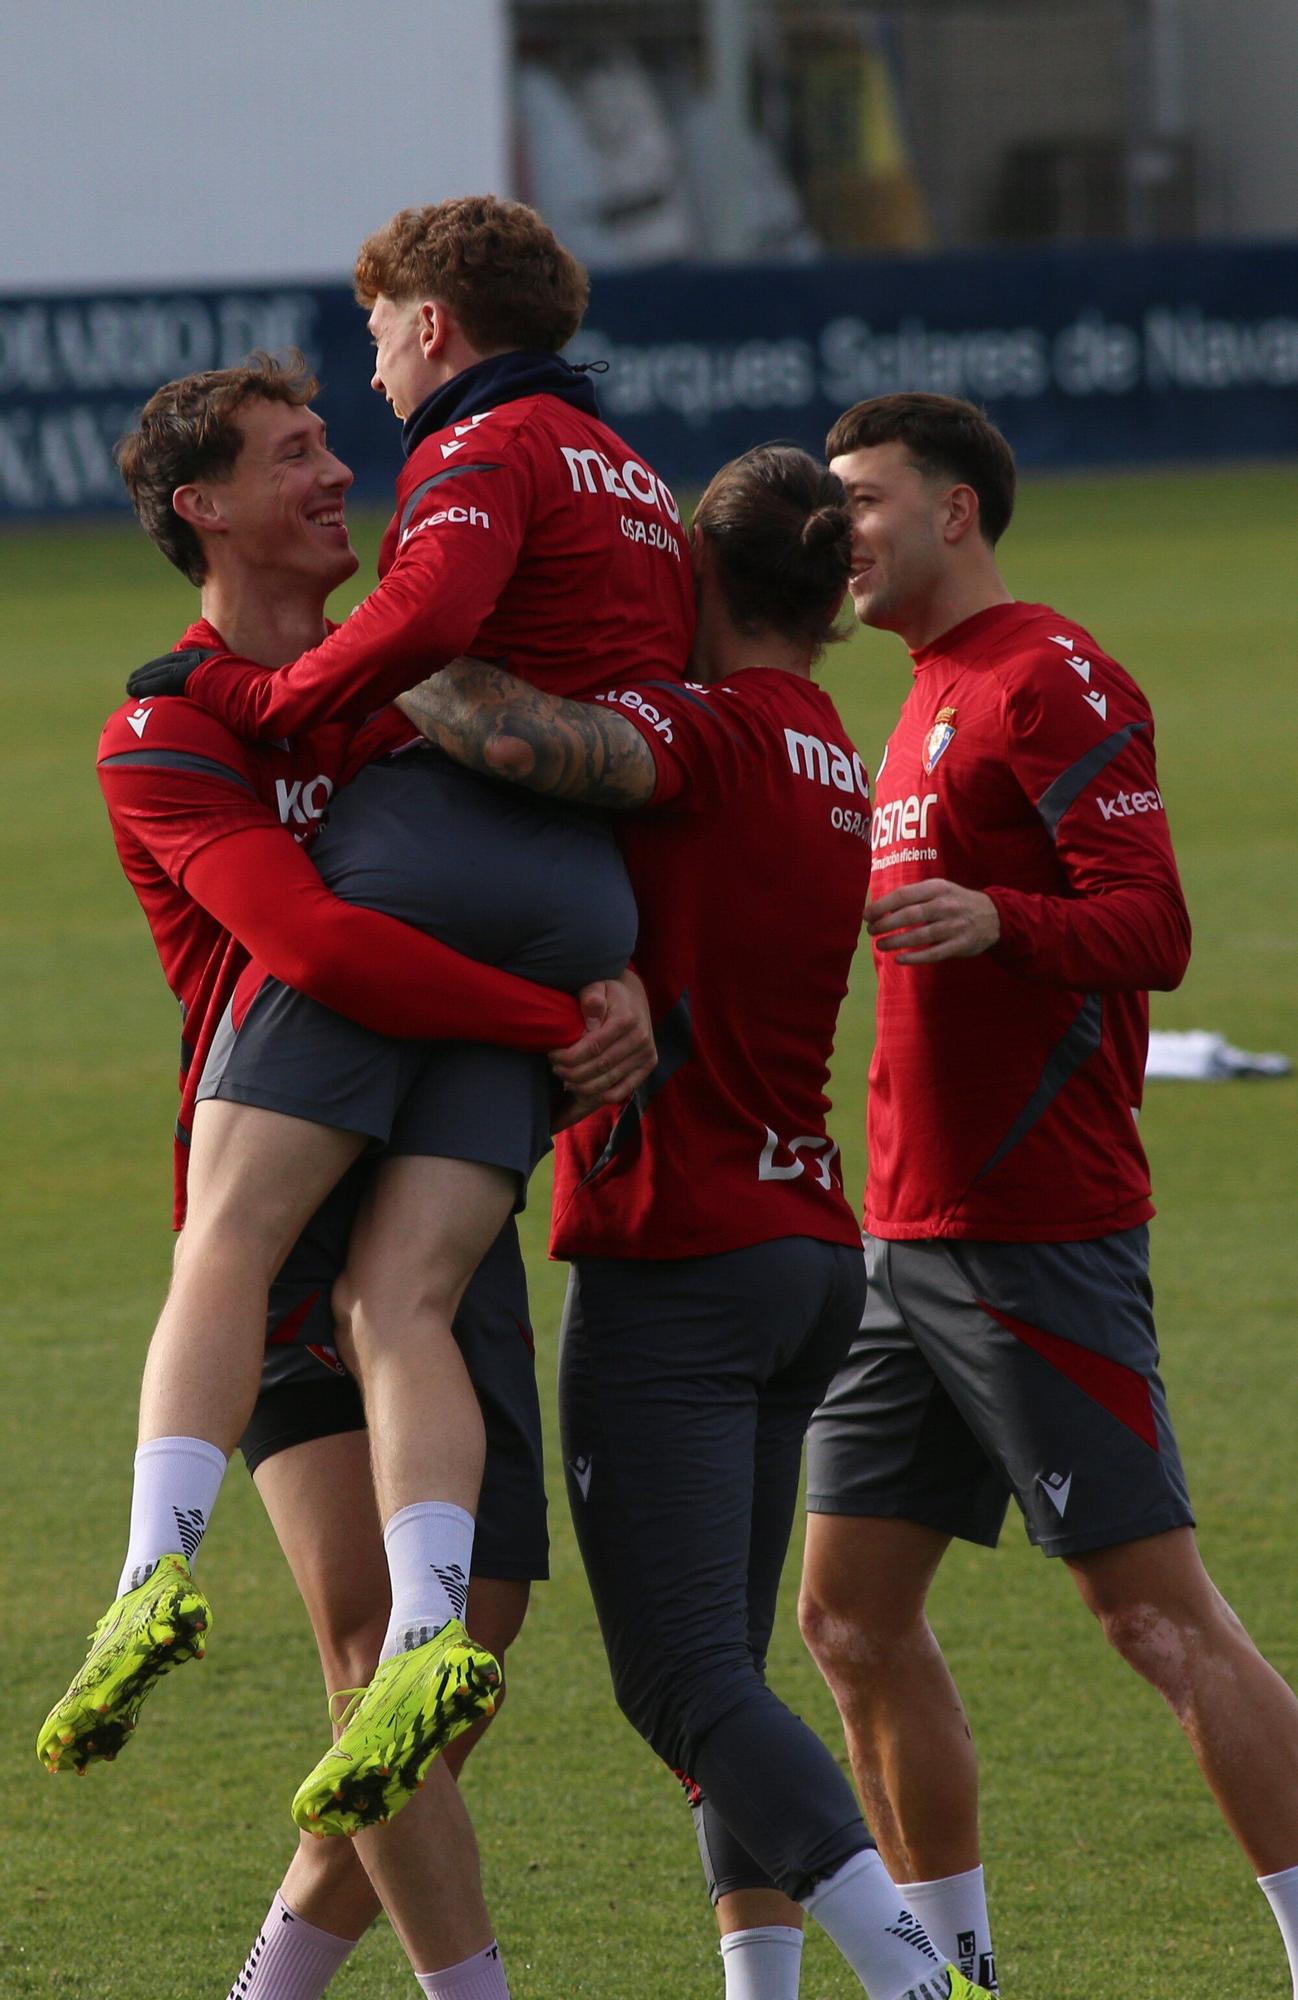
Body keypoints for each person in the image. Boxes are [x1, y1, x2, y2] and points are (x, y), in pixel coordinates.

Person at [47, 190, 689, 1850]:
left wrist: (592, 999)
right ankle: (159, 1595)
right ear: (200, 510)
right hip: (339, 1132)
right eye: (293, 457)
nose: (343, 469)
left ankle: (230, 1605)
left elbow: (486, 716)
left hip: (406, 1101)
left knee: (459, 1647)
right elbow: (316, 943)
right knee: (358, 1659)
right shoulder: (173, 726)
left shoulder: (413, 713)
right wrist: (566, 1010)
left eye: (340, 434)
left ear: (431, 327)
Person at [393, 445, 995, 2000]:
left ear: (697, 583)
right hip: (802, 1248)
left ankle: (921, 1981)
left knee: (674, 1683)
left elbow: (529, 744)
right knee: (723, 1670)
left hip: (680, 1254)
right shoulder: (824, 745)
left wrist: (390, 644)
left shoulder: (705, 730)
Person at [790, 391, 1298, 1993]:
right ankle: (955, 1977)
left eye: (861, 498)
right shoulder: (921, 696)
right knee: (847, 1619)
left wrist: (1003, 922)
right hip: (903, 1237)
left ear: (955, 510)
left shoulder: (1047, 676)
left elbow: (1149, 930)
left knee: (1155, 1621)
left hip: (1032, 1230)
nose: (836, 530)